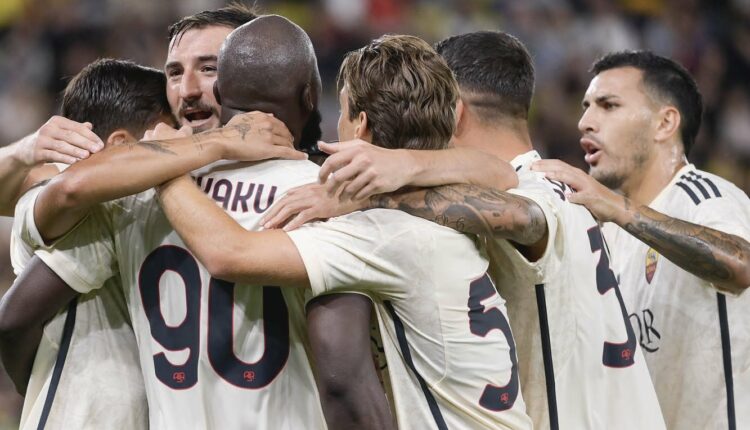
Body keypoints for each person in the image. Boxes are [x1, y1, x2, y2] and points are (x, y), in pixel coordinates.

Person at [263, 31, 668, 430]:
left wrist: (375, 192)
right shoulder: (559, 183)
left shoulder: (533, 187)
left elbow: (521, 217)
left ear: (453, 110)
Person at [153, 34, 533, 429]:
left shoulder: (376, 233)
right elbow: (503, 175)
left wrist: (167, 168)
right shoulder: (452, 208)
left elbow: (230, 254)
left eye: (345, 112)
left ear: (361, 125)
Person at [532, 51, 750, 430]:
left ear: (665, 123)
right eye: (586, 107)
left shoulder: (703, 196)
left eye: (608, 105)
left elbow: (741, 263)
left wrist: (621, 209)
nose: (585, 122)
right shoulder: (609, 232)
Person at [0, 58, 173, 430]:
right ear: (122, 144)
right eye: (167, 134)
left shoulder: (135, 202)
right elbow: (12, 321)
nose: (178, 146)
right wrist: (39, 383)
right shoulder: (86, 200)